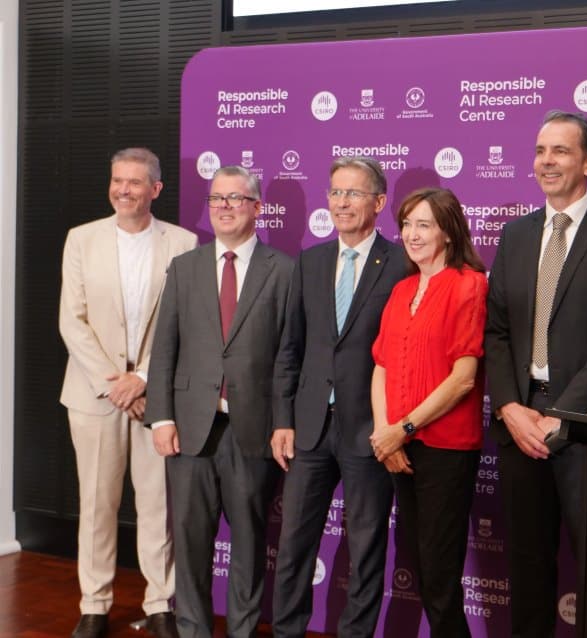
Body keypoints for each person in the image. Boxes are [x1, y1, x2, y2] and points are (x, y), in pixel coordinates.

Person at [484, 110, 587, 637]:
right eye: (539, 151)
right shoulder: (515, 235)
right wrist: (510, 407)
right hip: (518, 423)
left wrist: (559, 417)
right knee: (527, 566)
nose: (546, 161)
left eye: (560, 151)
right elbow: (498, 331)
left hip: (584, 429)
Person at [145, 165, 294, 637]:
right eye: (216, 199)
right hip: (189, 429)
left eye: (235, 199)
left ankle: (243, 631)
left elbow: (289, 355)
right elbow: (164, 347)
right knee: (190, 543)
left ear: (257, 207)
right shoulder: (186, 267)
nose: (224, 207)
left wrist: (283, 422)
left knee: (249, 544)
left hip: (252, 430)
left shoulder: (285, 270)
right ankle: (192, 629)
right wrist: (161, 418)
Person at [59, 147, 197, 638]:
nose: (124, 190)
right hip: (95, 396)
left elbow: (185, 325)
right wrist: (115, 384)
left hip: (156, 397)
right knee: (96, 504)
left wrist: (144, 378)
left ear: (155, 190)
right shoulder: (81, 240)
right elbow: (71, 323)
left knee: (158, 505)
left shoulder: (183, 243)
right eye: (117, 180)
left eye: (135, 182)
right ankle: (94, 606)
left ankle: (161, 603)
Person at [271, 157, 406, 638]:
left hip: (369, 429)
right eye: (334, 192)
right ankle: (287, 630)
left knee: (366, 545)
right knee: (293, 545)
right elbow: (292, 348)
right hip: (308, 427)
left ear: (378, 202)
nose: (340, 203)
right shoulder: (311, 260)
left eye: (352, 193)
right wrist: (283, 419)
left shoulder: (400, 263)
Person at [371, 187, 488, 637]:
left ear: (448, 231)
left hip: (444, 449)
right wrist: (386, 434)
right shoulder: (401, 289)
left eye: (424, 224)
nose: (411, 234)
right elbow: (380, 365)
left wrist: (403, 428)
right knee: (421, 565)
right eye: (406, 224)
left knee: (440, 574)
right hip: (398, 446)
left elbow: (462, 378)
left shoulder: (468, 284)